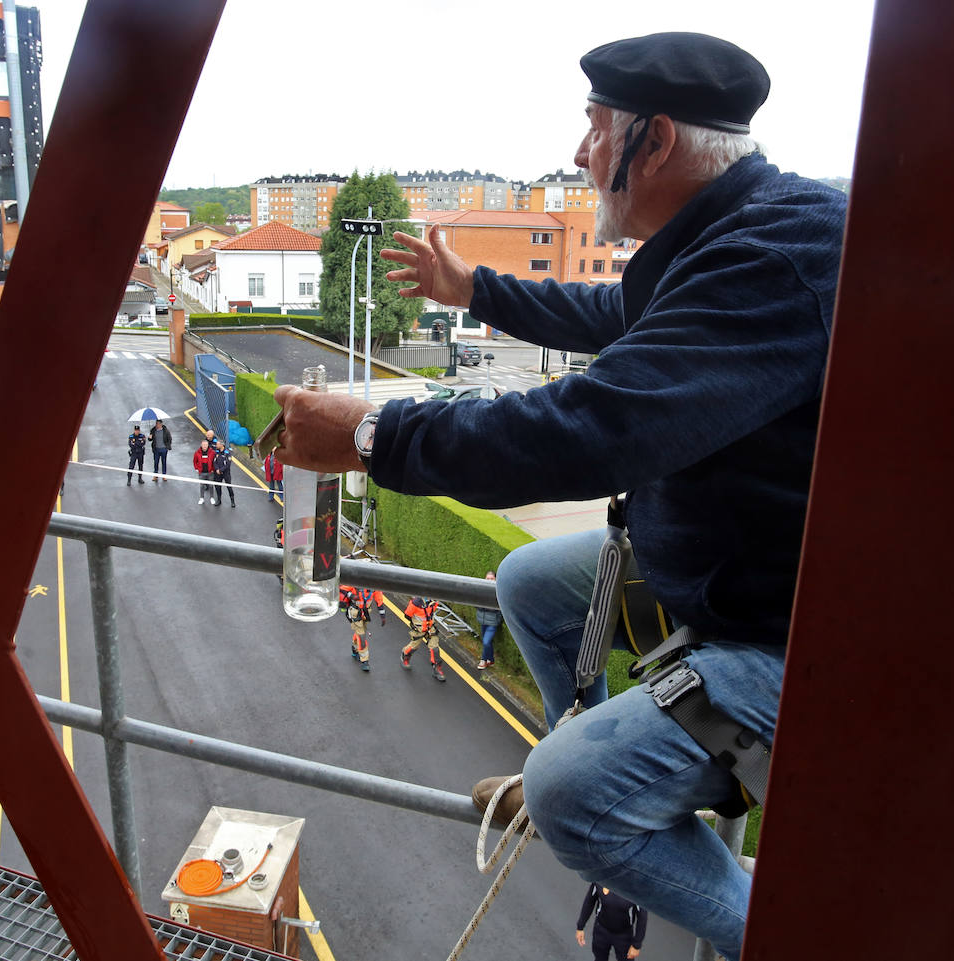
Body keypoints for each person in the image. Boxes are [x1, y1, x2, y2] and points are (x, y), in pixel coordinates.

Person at [268, 33, 846, 959]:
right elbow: (614, 315)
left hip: (802, 627)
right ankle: (590, 764)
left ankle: (789, 931)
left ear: (651, 142)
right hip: (740, 571)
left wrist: (374, 436)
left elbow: (592, 430)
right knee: (533, 584)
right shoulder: (724, 234)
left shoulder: (777, 254)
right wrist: (475, 288)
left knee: (569, 791)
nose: (580, 155)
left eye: (593, 131)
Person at [577, 883, 647, 961]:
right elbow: (589, 901)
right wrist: (580, 927)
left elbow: (642, 917)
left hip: (623, 936)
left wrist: (636, 945)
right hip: (601, 931)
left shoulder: (635, 887)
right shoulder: (601, 879)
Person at [339, 583, 386, 672]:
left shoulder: (375, 588)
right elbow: (341, 588)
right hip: (355, 613)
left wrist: (383, 616)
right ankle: (364, 660)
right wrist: (351, 595)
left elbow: (379, 602)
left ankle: (355, 648)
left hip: (365, 614)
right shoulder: (356, 584)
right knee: (362, 636)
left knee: (360, 632)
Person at [402, 595, 445, 682]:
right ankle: (405, 655)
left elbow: (432, 612)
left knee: (435, 648)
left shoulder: (434, 602)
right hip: (419, 629)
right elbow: (407, 615)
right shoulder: (416, 603)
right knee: (414, 646)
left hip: (430, 628)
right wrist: (417, 625)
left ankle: (437, 669)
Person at [475, 571, 502, 670]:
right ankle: (491, 659)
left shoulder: (498, 591)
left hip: (492, 621)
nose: (489, 580)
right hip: (482, 620)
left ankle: (483, 660)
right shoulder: (481, 590)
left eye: (492, 579)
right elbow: (476, 603)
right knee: (487, 641)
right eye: (488, 578)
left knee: (486, 642)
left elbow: (496, 607)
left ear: (495, 579)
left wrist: (484, 606)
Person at [192, 439, 217, 506]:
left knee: (211, 485)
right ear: (201, 445)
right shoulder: (197, 452)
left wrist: (213, 469)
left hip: (210, 472)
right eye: (203, 445)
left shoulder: (212, 452)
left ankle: (212, 497)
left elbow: (215, 461)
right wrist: (196, 468)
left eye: (206, 445)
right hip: (201, 472)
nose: (205, 446)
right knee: (201, 486)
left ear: (208, 445)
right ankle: (201, 498)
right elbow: (194, 461)